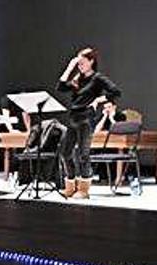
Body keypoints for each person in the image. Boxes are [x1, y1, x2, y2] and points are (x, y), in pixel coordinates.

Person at [56, 47, 121, 199]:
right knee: (65, 153)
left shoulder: (97, 78)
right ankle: (70, 186)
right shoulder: (77, 79)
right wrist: (70, 67)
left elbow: (115, 92)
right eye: (78, 64)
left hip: (86, 118)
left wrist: (98, 100)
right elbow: (60, 87)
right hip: (73, 117)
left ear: (91, 61)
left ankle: (84, 189)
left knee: (83, 155)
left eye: (82, 62)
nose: (80, 66)